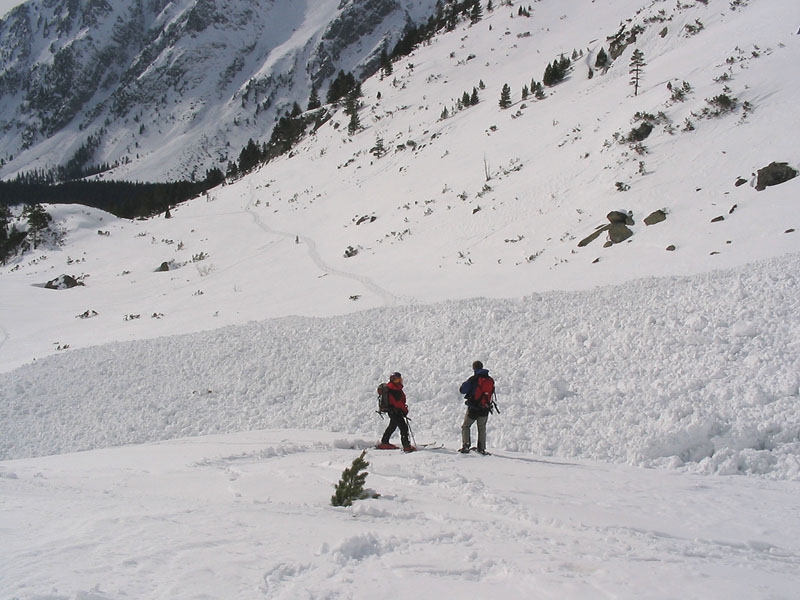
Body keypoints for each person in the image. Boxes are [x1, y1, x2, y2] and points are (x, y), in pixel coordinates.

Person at [459, 360, 494, 454]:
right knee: (482, 427)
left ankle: (466, 445)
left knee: (466, 426)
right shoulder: (490, 380)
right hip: (485, 408)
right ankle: (481, 448)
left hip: (473, 408)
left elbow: (463, 390)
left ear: (474, 368)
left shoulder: (473, 379)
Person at [377, 372, 415, 451]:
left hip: (393, 411)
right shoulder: (394, 389)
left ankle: (384, 442)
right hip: (396, 411)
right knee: (403, 427)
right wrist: (404, 410)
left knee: (392, 426)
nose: (399, 381)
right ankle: (406, 446)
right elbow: (398, 403)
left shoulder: (394, 388)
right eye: (397, 380)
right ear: (393, 380)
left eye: (400, 379)